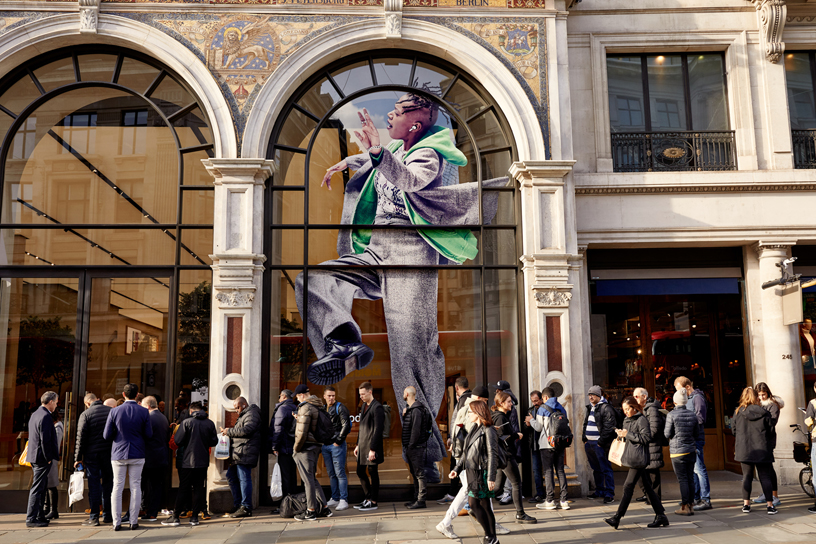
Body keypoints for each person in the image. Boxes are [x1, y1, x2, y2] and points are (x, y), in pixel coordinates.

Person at [298, 94, 505, 472]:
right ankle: (343, 344)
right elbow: (377, 161)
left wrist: (377, 154)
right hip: (378, 248)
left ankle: (426, 457)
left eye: (397, 111)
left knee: (411, 353)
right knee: (315, 278)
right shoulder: (395, 146)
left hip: (411, 253)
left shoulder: (431, 153)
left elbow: (410, 178)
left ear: (415, 123)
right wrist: (350, 160)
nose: (389, 114)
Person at [603, 397, 668, 530]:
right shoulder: (627, 420)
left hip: (639, 459)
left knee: (628, 487)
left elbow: (646, 438)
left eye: (628, 409)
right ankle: (661, 515)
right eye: (624, 409)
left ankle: (617, 517)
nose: (626, 412)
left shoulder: (641, 419)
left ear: (635, 408)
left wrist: (628, 434)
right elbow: (629, 436)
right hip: (632, 456)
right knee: (647, 488)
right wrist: (621, 434)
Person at [449, 400, 501, 544]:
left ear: (478, 413)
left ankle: (490, 536)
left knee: (479, 504)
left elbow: (492, 454)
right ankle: (491, 536)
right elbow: (466, 453)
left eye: (471, 412)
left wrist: (491, 477)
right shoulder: (473, 428)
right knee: (478, 504)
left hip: (482, 472)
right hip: (472, 471)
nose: (469, 414)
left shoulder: (488, 430)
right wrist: (456, 469)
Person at [103, 383, 152, 531]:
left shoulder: (115, 411)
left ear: (123, 395)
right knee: (135, 486)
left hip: (119, 452)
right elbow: (149, 434)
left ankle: (116, 522)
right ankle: (133, 521)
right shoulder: (144, 412)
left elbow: (106, 435)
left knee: (117, 486)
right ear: (137, 395)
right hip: (137, 452)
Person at [161, 401, 218, 527]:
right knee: (198, 488)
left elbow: (178, 441)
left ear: (191, 411)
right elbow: (214, 441)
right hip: (203, 461)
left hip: (188, 461)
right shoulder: (209, 423)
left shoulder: (187, 422)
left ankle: (175, 517)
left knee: (184, 488)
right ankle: (194, 518)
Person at [491, 391, 536, 524]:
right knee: (516, 484)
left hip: (501, 455)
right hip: (506, 455)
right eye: (509, 401)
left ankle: (475, 505)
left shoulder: (498, 415)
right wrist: (516, 435)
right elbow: (500, 437)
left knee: (497, 486)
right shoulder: (500, 417)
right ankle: (520, 514)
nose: (511, 404)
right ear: (501, 403)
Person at [731, 387, 777, 515]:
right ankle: (770, 505)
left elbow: (733, 430)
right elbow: (771, 431)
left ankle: (746, 504)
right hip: (762, 448)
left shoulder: (738, 412)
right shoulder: (764, 412)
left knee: (747, 477)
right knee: (765, 476)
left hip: (744, 449)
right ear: (756, 397)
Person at [291, 384, 331, 522]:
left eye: (297, 396)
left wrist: (296, 449)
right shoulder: (316, 405)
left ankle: (311, 511)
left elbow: (301, 433)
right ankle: (325, 508)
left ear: (302, 395)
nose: (296, 399)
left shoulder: (305, 407)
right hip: (315, 446)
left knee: (307, 480)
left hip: (305, 448)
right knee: (312, 479)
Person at [74, 392, 114, 526]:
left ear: (87, 403)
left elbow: (81, 438)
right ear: (98, 399)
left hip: (92, 455)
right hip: (109, 453)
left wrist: (78, 458)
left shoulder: (85, 414)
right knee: (109, 484)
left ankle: (94, 516)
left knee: (94, 484)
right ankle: (108, 515)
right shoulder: (111, 411)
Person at [674, 376, 711, 511]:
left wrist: (686, 422)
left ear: (688, 387)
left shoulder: (698, 398)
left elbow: (700, 418)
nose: (679, 394)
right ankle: (695, 497)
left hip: (696, 438)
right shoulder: (689, 399)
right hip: (689, 439)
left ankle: (705, 499)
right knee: (693, 471)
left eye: (680, 390)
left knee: (699, 469)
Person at [221, 396, 262, 518]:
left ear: (244, 404)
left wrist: (229, 432)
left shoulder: (252, 413)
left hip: (245, 451)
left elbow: (248, 430)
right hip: (239, 451)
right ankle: (238, 504)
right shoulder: (245, 414)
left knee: (244, 478)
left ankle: (246, 507)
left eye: (237, 407)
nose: (236, 411)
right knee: (231, 476)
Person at [530, 387, 569, 510]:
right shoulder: (561, 407)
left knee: (548, 472)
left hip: (547, 444)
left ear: (545, 397)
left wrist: (530, 420)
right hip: (560, 443)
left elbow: (538, 427)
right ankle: (564, 500)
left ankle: (550, 500)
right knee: (560, 471)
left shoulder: (542, 408)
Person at [25, 391, 59, 528]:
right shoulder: (45, 416)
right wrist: (48, 457)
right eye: (56, 402)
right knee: (38, 488)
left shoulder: (35, 414)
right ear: (50, 402)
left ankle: (39, 516)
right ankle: (31, 518)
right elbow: (45, 440)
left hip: (35, 456)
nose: (56, 405)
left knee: (41, 487)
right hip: (41, 458)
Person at [664, 389, 699, 516]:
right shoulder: (692, 415)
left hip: (677, 451)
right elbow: (697, 433)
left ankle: (684, 507)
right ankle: (691, 505)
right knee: (690, 478)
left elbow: (667, 433)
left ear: (674, 402)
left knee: (683, 479)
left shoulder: (671, 415)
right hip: (691, 450)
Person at [438, 376, 471, 505]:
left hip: (461, 443)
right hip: (462, 442)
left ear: (456, 388)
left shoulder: (464, 400)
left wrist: (454, 440)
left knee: (461, 471)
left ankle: (467, 503)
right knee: (457, 469)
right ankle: (456, 496)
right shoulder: (469, 398)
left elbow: (460, 423)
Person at [582, 385, 616, 503]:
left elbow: (609, 427)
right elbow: (585, 423)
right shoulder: (590, 408)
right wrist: (584, 438)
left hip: (599, 444)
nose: (591, 397)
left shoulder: (606, 408)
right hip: (589, 443)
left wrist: (601, 442)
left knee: (606, 468)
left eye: (593, 394)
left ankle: (609, 493)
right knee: (596, 469)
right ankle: (599, 490)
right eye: (589, 394)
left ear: (598, 396)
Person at [354, 381, 384, 512]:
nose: (361, 396)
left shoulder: (377, 407)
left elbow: (378, 429)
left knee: (373, 472)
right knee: (360, 471)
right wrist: (357, 444)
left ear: (370, 392)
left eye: (363, 394)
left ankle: (373, 501)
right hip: (363, 445)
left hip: (371, 446)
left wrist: (373, 449)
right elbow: (362, 427)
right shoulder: (364, 406)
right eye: (360, 394)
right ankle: (367, 499)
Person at [753, 382, 783, 507]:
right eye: (759, 395)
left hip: (768, 440)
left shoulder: (773, 406)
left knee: (769, 469)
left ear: (768, 393)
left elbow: (771, 423)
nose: (761, 397)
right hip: (758, 440)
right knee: (762, 470)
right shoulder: (757, 404)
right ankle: (767, 493)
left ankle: (774, 495)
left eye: (763, 394)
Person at [633, 387, 665, 503]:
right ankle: (648, 494)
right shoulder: (640, 409)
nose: (634, 399)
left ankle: (655, 497)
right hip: (643, 446)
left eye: (636, 396)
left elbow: (654, 428)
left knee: (653, 474)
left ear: (644, 397)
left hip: (652, 445)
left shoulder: (651, 408)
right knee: (642, 474)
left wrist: (643, 438)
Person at [402, 386, 432, 509]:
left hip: (416, 447)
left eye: (404, 392)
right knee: (415, 473)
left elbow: (416, 430)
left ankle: (421, 500)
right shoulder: (411, 410)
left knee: (419, 474)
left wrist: (411, 445)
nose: (403, 394)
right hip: (413, 447)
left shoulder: (416, 410)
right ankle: (416, 498)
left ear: (408, 394)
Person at [140, 396, 169, 522]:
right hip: (161, 456)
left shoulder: (149, 418)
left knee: (145, 485)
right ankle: (153, 513)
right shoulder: (163, 417)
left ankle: (148, 511)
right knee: (157, 485)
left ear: (147, 406)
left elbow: (146, 436)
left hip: (149, 457)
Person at [323, 386, 351, 511]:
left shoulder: (340, 407)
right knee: (331, 473)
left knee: (340, 473)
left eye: (333, 395)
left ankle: (343, 499)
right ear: (324, 396)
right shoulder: (323, 409)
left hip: (336, 445)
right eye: (329, 395)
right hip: (326, 445)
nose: (331, 398)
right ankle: (334, 498)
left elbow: (346, 425)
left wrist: (338, 441)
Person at [270, 389, 298, 512]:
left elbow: (278, 430)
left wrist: (274, 446)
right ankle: (293, 503)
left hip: (284, 448)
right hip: (293, 448)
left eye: (280, 396)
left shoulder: (282, 409)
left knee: (285, 478)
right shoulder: (295, 407)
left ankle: (286, 506)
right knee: (292, 477)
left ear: (284, 396)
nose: (279, 398)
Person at [524, 390, 545, 503]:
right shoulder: (530, 410)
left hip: (545, 444)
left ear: (542, 399)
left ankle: (550, 494)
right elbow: (526, 428)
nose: (535, 403)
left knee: (547, 470)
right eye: (533, 401)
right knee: (536, 471)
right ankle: (540, 494)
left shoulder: (545, 409)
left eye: (536, 400)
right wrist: (528, 425)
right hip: (534, 444)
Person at [43, 409, 64, 520]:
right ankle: (47, 508)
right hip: (49, 458)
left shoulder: (57, 427)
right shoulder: (55, 426)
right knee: (47, 484)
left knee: (51, 484)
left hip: (51, 458)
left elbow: (55, 443)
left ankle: (53, 510)